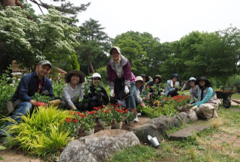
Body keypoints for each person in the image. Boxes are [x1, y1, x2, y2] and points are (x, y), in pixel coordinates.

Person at [0, 60, 54, 139]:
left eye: (47, 69)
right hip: (19, 102)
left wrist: (46, 103)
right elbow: (22, 95)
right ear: (37, 67)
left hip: (35, 103)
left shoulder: (48, 82)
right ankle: (5, 132)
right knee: (27, 105)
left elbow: (51, 96)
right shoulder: (27, 78)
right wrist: (36, 103)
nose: (45, 70)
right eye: (43, 67)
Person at [107, 46, 136, 112]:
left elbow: (127, 74)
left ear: (119, 53)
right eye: (113, 53)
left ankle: (133, 114)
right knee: (115, 96)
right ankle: (118, 113)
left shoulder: (125, 61)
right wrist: (112, 89)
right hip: (119, 81)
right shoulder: (109, 64)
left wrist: (126, 86)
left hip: (130, 80)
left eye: (116, 52)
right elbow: (110, 77)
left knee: (129, 95)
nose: (115, 54)